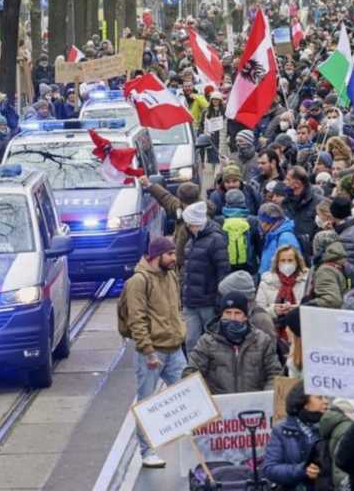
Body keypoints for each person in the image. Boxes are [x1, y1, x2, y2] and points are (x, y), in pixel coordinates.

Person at [120, 237, 185, 469]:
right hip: (153, 351)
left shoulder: (171, 275)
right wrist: (148, 351)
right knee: (147, 402)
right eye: (170, 255)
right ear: (158, 255)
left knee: (187, 395)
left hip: (174, 348)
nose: (174, 259)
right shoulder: (139, 281)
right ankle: (147, 451)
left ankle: (189, 443)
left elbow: (176, 309)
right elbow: (136, 319)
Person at [183, 291, 282, 394]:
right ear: (221, 315)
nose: (232, 318)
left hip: (254, 405)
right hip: (219, 405)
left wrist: (265, 398)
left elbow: (274, 374)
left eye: (237, 313)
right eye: (228, 313)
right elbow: (191, 374)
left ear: (245, 316)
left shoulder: (262, 341)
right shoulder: (207, 342)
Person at [180, 201, 230, 352]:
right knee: (191, 342)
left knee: (214, 342)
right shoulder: (191, 240)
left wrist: (219, 300)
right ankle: (193, 374)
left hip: (208, 302)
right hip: (191, 301)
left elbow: (223, 272)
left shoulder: (216, 240)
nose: (187, 226)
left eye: (189, 223)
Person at [262, 382, 330, 491]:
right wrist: (302, 470)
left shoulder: (330, 427)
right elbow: (270, 469)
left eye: (326, 397)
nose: (326, 401)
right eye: (319, 397)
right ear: (304, 403)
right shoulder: (281, 430)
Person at [256, 244, 308, 322]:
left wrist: (296, 310)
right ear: (277, 263)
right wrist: (273, 310)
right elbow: (258, 313)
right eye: (283, 260)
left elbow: (311, 308)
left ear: (297, 262)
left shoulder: (306, 281)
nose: (286, 264)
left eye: (290, 260)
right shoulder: (266, 282)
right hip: (273, 328)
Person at [259, 203, 301, 274]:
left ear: (268, 222)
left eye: (261, 221)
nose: (260, 224)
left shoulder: (285, 238)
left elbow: (291, 268)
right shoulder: (272, 235)